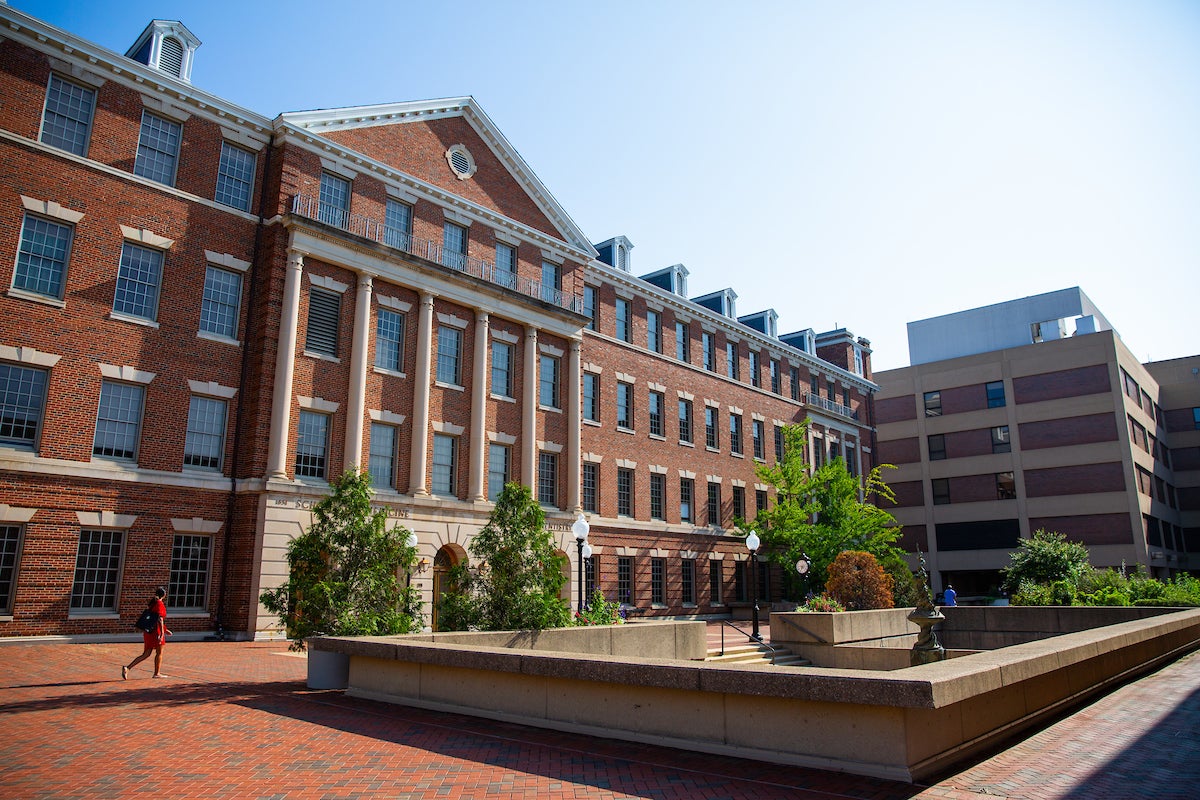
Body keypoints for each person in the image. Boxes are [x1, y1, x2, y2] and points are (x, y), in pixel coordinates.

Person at [123, 587, 170, 679]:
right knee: (159, 652)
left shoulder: (153, 604)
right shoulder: (159, 604)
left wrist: (165, 629)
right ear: (164, 595)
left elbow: (153, 618)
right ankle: (157, 673)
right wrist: (162, 633)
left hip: (149, 631)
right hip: (156, 632)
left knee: (146, 654)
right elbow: (159, 619)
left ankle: (128, 668)